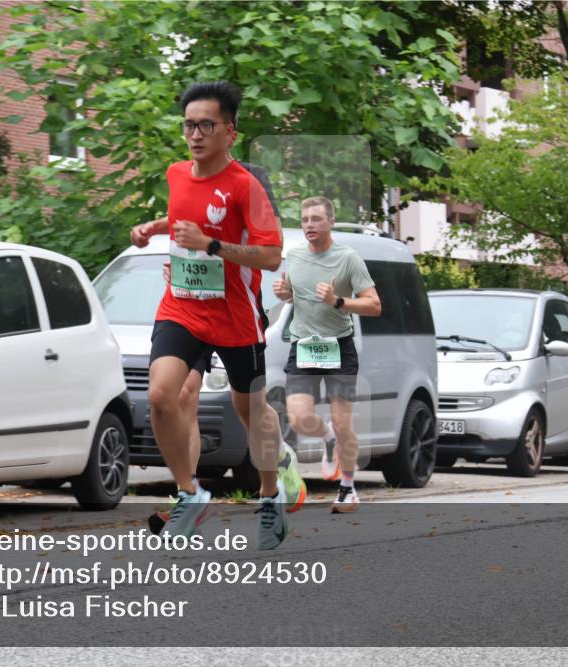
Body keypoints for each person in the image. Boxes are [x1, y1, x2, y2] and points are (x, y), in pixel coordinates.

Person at [129, 81, 304, 549]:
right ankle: (190, 493)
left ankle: (270, 498)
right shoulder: (174, 174)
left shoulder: (245, 186)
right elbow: (187, 212)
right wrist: (156, 227)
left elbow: (270, 256)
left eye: (207, 124)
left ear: (230, 131)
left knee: (250, 411)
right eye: (189, 124)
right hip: (182, 306)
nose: (195, 134)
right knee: (163, 396)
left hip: (235, 315)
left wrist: (211, 246)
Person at [273, 196, 381, 512]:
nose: (309, 225)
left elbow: (374, 305)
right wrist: (285, 294)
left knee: (344, 422)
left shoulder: (349, 259)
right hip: (304, 345)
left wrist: (338, 301)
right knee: (299, 417)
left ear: (330, 222)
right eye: (305, 220)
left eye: (316, 219)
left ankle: (347, 489)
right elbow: (296, 294)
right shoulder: (292, 256)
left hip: (339, 346)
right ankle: (328, 437)